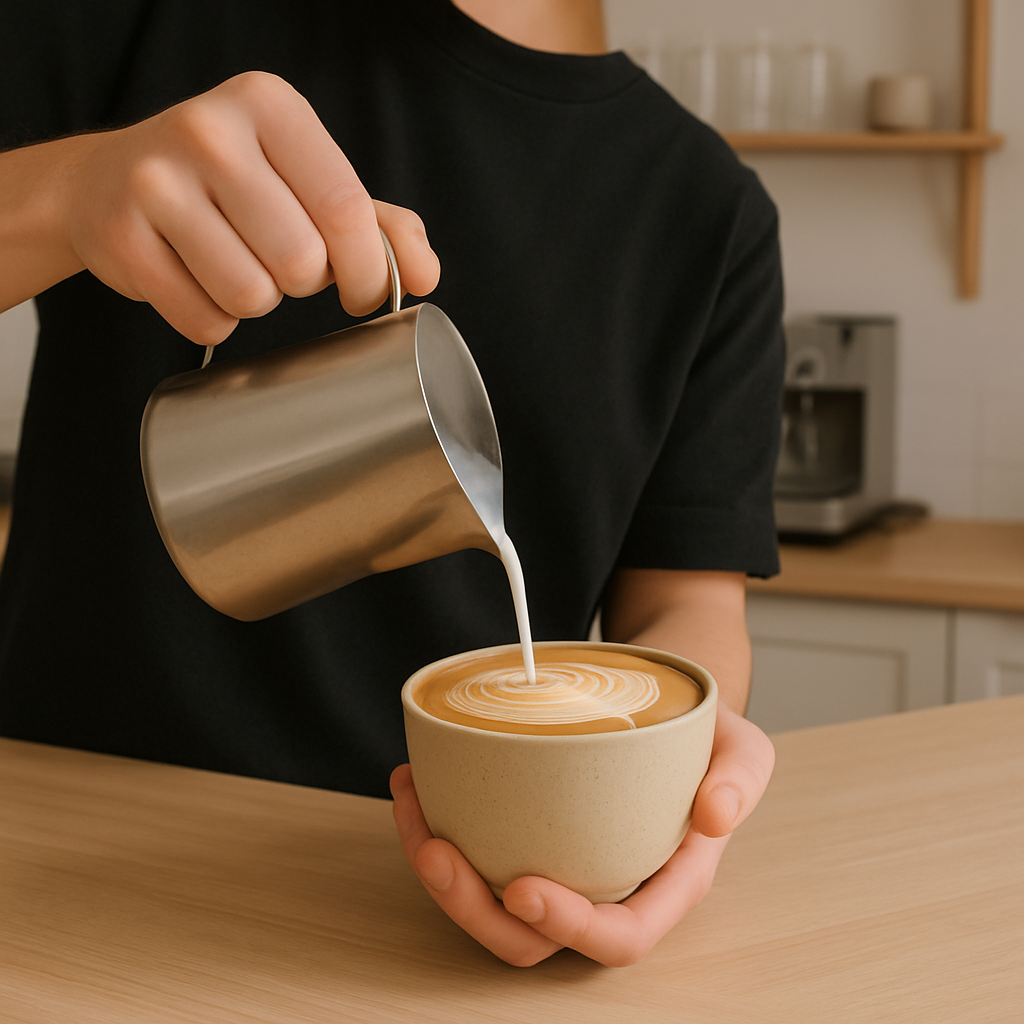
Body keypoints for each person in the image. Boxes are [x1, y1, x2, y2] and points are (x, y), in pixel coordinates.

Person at [0, 0, 781, 966]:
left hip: (439, 918)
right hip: (59, 859)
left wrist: (689, 791)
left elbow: (688, 605)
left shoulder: (706, 204)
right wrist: (63, 193)